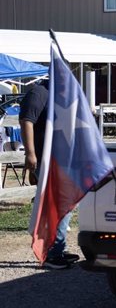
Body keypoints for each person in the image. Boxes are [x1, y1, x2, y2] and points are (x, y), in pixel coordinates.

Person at [19, 80, 80, 269]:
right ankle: (53, 252)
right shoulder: (39, 92)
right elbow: (26, 120)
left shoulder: (58, 95)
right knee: (61, 203)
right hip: (45, 159)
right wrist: (30, 154)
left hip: (60, 159)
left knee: (63, 205)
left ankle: (57, 247)